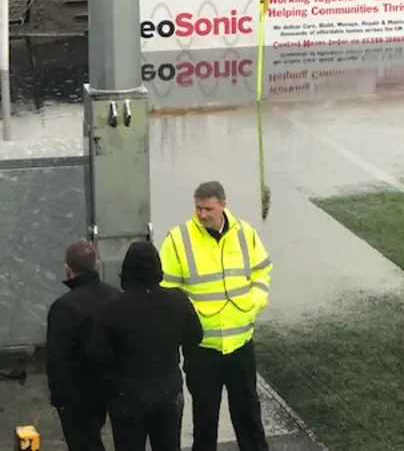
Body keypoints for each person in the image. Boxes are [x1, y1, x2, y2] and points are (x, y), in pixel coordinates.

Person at [159, 181, 273, 451]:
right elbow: (167, 289)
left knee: (248, 415)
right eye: (198, 208)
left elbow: (262, 270)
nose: (202, 214)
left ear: (223, 204)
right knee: (205, 420)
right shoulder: (178, 238)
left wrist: (256, 299)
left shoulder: (245, 233)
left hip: (240, 344)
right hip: (202, 348)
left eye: (208, 208)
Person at [86, 241, 203, 451]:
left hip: (127, 394)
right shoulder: (178, 300)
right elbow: (195, 337)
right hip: (168, 389)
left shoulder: (112, 307)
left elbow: (95, 352)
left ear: (126, 271)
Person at [45, 241, 119, 451]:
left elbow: (58, 358)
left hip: (78, 393)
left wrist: (58, 396)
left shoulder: (63, 307)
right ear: (97, 264)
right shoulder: (115, 296)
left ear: (68, 269)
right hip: (113, 385)